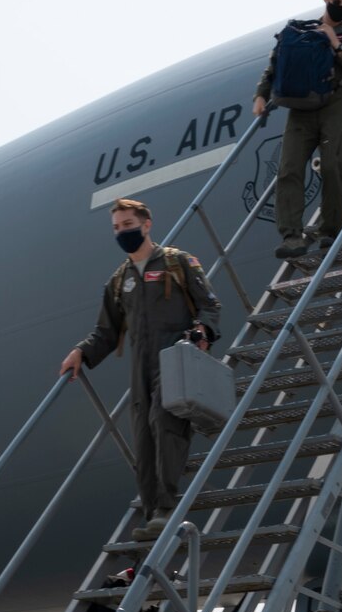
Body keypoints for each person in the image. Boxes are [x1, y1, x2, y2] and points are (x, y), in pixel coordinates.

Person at [58, 199, 222, 541]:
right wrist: (81, 352)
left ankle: (166, 507)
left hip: (176, 354)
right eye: (117, 227)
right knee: (143, 438)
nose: (123, 232)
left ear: (146, 224)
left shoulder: (178, 262)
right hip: (141, 364)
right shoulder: (119, 281)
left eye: (128, 224)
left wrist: (203, 331)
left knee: (165, 423)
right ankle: (151, 516)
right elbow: (106, 331)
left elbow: (209, 304)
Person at [252, 0, 342, 260]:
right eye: (335, 1)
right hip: (301, 110)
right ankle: (292, 236)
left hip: (336, 106)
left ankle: (330, 229)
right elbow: (274, 65)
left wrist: (337, 46)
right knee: (289, 169)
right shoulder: (299, 32)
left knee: (334, 167)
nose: (340, 6)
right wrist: (261, 94)